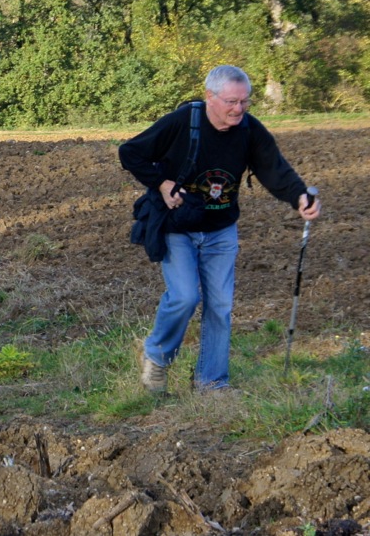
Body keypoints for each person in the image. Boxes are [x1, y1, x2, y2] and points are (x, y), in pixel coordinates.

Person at [119, 65, 321, 394]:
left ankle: (211, 383)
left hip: (221, 229)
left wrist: (300, 197)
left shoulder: (249, 130)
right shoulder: (182, 122)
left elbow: (274, 169)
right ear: (210, 97)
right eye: (231, 101)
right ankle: (156, 357)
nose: (238, 109)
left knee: (220, 306)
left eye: (245, 102)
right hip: (178, 225)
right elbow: (130, 152)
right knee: (184, 296)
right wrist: (163, 183)